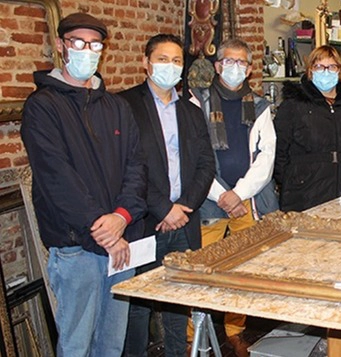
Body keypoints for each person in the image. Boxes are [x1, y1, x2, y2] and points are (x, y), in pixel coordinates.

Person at [20, 13, 146, 356]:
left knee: (111, 344)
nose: (87, 50)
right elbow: (56, 177)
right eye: (78, 42)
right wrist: (101, 230)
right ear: (61, 46)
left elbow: (136, 167)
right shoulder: (43, 107)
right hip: (77, 248)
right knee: (76, 345)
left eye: (95, 45)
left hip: (120, 244)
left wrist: (121, 217)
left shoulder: (117, 107)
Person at [121, 34, 215, 357]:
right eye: (162, 59)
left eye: (177, 61)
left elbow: (206, 163)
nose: (170, 67)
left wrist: (184, 206)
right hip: (147, 222)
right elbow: (127, 167)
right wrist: (164, 209)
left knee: (178, 305)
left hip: (184, 221)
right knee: (139, 306)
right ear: (146, 63)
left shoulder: (190, 110)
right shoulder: (125, 105)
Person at [188, 38, 278, 357]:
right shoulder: (195, 101)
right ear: (217, 65)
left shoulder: (259, 105)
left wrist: (238, 194)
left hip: (246, 201)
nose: (235, 68)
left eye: (242, 63)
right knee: (201, 270)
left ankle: (234, 331)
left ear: (250, 69)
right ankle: (192, 335)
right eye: (229, 61)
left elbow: (266, 157)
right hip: (207, 200)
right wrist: (221, 194)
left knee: (242, 270)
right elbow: (193, 155)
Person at [273, 45, 341, 211]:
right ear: (310, 71)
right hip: (305, 191)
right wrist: (293, 180)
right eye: (319, 66)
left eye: (332, 66)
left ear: (340, 71)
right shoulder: (294, 105)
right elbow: (279, 151)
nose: (326, 72)